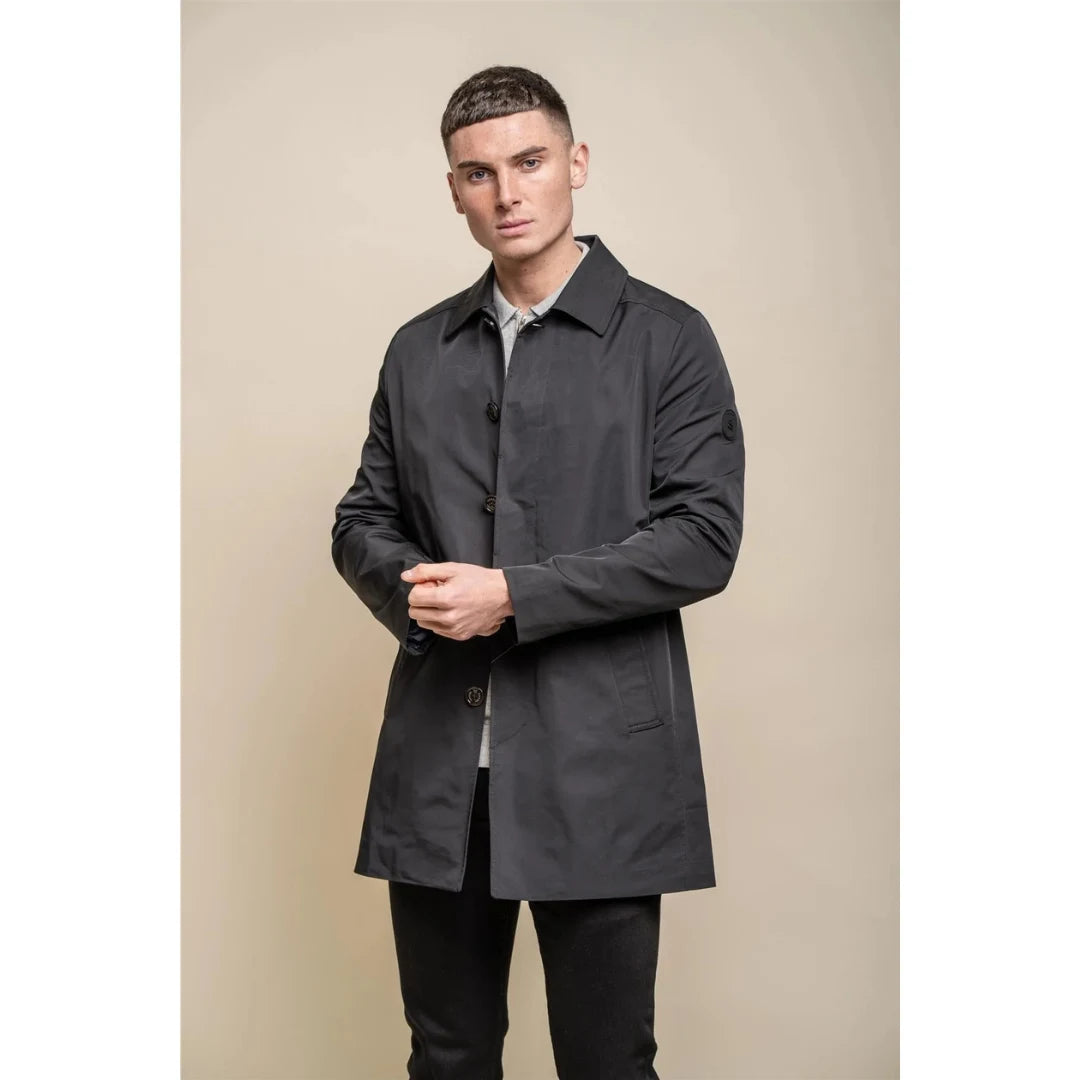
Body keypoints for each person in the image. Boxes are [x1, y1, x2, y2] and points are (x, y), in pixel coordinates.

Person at [331, 64, 745, 1079]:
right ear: (454, 190)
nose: (507, 194)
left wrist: (512, 597)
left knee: (607, 1061)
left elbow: (703, 536)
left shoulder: (667, 339)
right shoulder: (418, 350)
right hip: (441, 764)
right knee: (447, 1055)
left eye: (530, 162)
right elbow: (363, 518)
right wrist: (419, 595)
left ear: (576, 164)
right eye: (479, 174)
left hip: (598, 763)